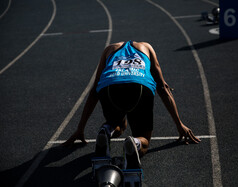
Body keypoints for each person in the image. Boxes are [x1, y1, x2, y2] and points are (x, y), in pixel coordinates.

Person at [62, 40, 201, 169]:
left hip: (109, 87)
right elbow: (163, 88)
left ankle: (106, 130)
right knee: (144, 138)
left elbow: (94, 90)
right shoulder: (146, 47)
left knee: (118, 124)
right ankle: (135, 143)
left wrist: (80, 128)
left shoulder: (109, 49)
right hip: (139, 87)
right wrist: (179, 124)